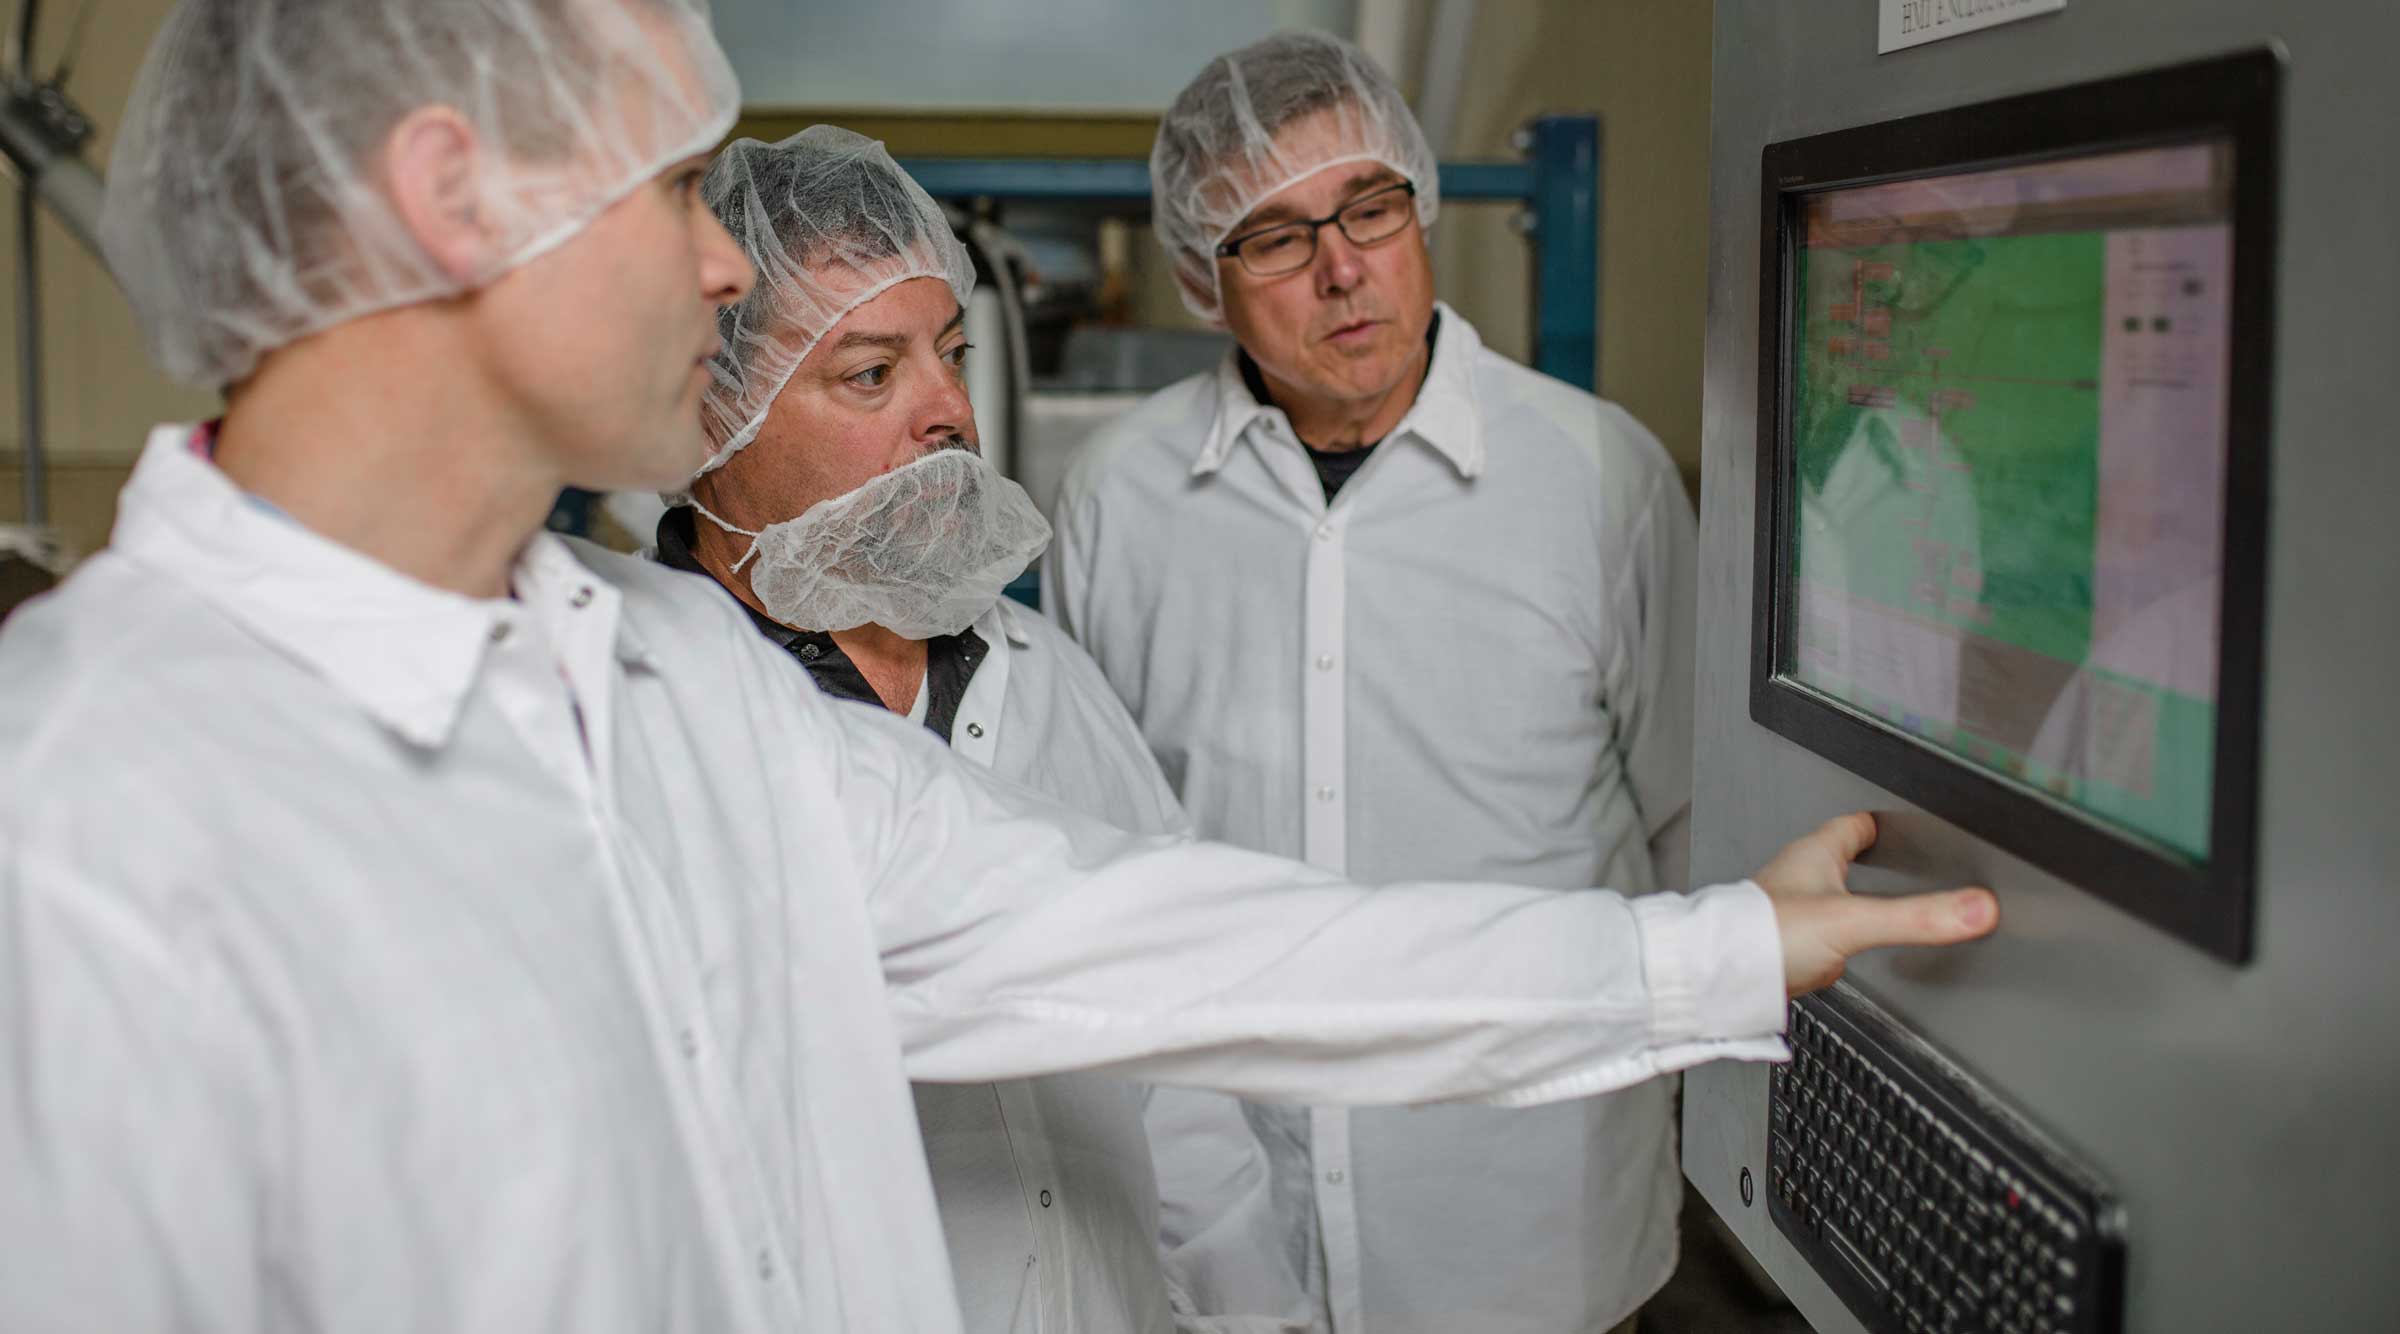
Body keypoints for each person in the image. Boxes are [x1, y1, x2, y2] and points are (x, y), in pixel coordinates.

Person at [0, 4, 1996, 1332]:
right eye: (684, 189)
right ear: (455, 196)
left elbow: (1186, 948)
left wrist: (1715, 953)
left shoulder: (669, 703)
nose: (720, 267)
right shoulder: (82, 826)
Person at [1046, 30, 1704, 1334]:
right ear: (1198, 273)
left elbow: (1691, 833)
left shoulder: (1599, 479)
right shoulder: (1120, 499)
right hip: (1237, 1242)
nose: (1343, 267)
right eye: (1278, 237)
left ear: (1421, 207)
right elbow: (1100, 854)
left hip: (1538, 1233)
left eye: (1369, 206)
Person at [655, 124, 1226, 1334]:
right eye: (872, 373)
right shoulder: (639, 714)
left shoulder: (1048, 675)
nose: (952, 412)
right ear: (712, 411)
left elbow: (1182, 1054)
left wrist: (1244, 1309)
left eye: (951, 352)